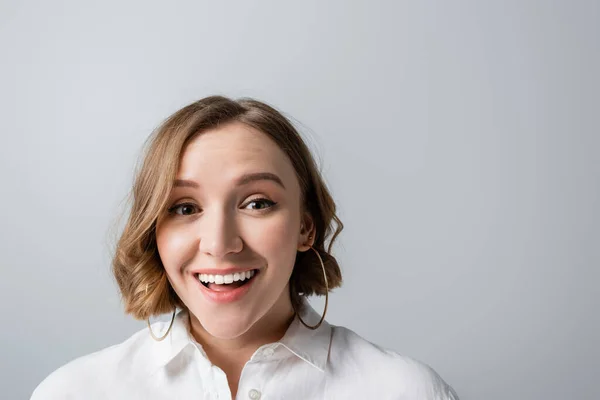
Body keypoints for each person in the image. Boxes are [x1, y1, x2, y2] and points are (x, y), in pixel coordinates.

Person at [31, 95, 460, 399]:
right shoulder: (72, 393)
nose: (220, 244)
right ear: (153, 231)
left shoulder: (405, 391)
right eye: (184, 207)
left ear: (305, 227)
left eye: (257, 203)